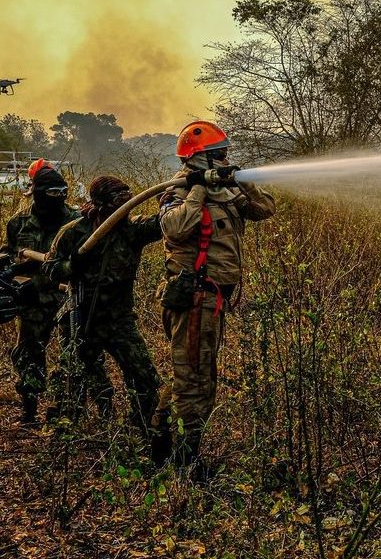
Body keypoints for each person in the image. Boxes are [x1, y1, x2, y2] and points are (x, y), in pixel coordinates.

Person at [158, 121, 275, 478]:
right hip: (194, 297)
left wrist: (240, 180)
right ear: (199, 159)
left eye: (226, 153)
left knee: (199, 374)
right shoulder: (178, 193)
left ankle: (166, 444)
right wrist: (197, 190)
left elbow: (264, 208)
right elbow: (174, 228)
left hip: (213, 300)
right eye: (219, 154)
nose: (226, 158)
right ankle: (182, 462)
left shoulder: (227, 191)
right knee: (193, 380)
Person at [44, 175, 168, 466]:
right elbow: (51, 270)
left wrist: (177, 195)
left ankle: (146, 431)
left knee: (143, 375)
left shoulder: (132, 229)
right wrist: (72, 263)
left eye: (127, 199)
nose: (123, 206)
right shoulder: (75, 231)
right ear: (98, 204)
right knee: (72, 375)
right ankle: (63, 436)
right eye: (116, 201)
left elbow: (165, 223)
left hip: (119, 319)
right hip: (81, 315)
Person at [5, 160, 80, 425]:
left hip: (68, 302)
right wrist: (13, 277)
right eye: (51, 194)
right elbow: (7, 256)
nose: (56, 200)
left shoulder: (77, 222)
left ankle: (63, 413)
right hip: (31, 304)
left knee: (71, 357)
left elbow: (82, 264)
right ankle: (29, 412)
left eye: (61, 193)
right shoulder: (19, 223)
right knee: (28, 355)